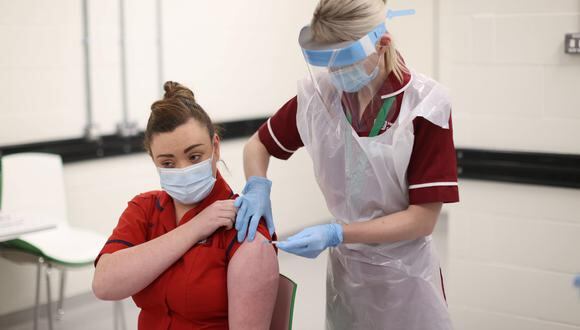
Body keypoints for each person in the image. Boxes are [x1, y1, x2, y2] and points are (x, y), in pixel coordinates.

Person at [234, 0, 458, 329]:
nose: (336, 73)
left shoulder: (425, 106)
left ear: (382, 45)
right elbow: (257, 146)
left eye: (345, 61)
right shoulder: (319, 98)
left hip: (406, 278)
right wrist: (257, 187)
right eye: (329, 62)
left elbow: (422, 220)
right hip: (347, 275)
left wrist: (338, 233)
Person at [92, 82, 279, 330]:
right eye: (168, 163)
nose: (183, 170)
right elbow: (104, 284)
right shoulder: (144, 209)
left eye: (194, 157)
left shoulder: (244, 229)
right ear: (153, 160)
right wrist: (195, 228)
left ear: (215, 147)